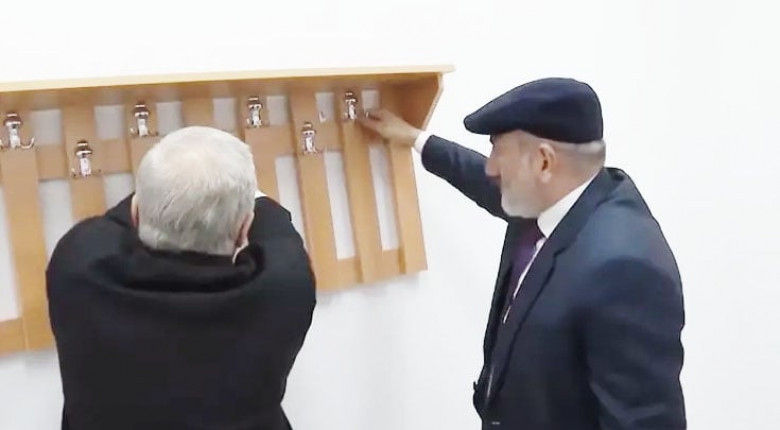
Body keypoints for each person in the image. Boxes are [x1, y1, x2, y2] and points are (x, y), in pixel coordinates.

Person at [359, 77, 686, 429]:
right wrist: (416, 139)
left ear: (544, 162)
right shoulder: (556, 198)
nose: (491, 168)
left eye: (498, 153)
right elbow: (480, 179)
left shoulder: (623, 268)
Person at [46, 126, 316, 430]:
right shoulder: (281, 292)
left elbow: (108, 224)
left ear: (136, 215)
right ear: (244, 229)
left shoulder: (79, 270)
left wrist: (165, 190)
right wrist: (235, 194)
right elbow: (278, 231)